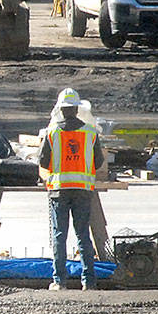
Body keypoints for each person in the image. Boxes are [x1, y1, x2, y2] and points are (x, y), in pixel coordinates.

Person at [37, 88, 104, 291]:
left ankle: (59, 281)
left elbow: (42, 161)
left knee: (59, 235)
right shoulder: (90, 132)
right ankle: (89, 282)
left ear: (61, 109)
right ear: (76, 109)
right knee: (83, 234)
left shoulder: (52, 133)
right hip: (83, 189)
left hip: (59, 190)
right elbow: (99, 161)